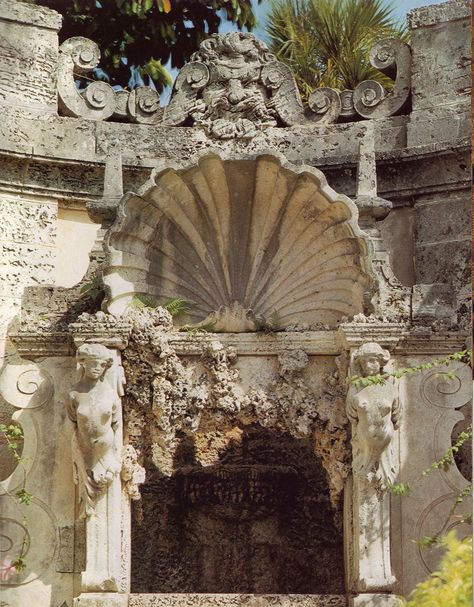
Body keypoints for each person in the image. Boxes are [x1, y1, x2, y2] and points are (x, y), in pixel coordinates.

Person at [67, 343, 121, 517]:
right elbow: (72, 422)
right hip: (84, 452)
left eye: (102, 365)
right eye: (93, 363)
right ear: (84, 363)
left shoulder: (111, 394)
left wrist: (116, 455)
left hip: (105, 455)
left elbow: (117, 424)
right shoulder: (74, 394)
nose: (97, 368)